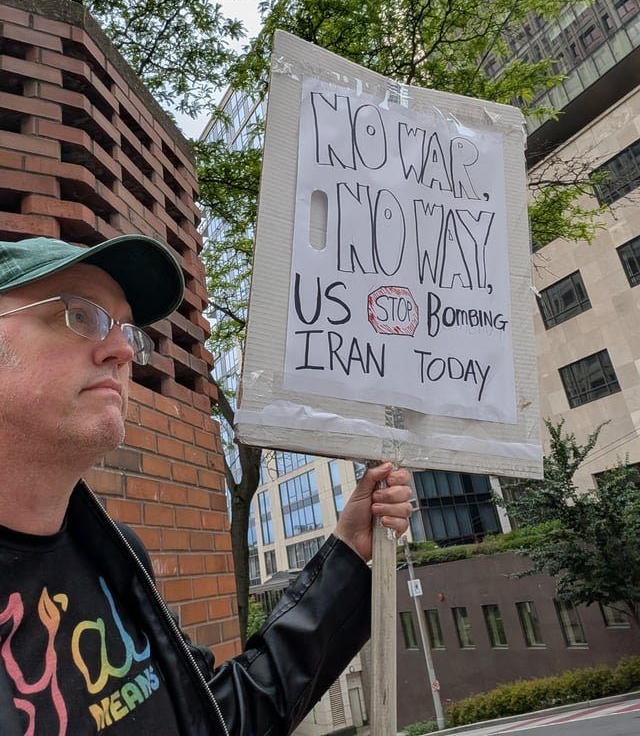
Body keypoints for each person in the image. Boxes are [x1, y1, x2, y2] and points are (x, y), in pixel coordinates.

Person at [0, 233, 413, 736]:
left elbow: (217, 719)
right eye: (81, 315)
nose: (121, 350)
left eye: (128, 332)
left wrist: (349, 553)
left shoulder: (114, 555)